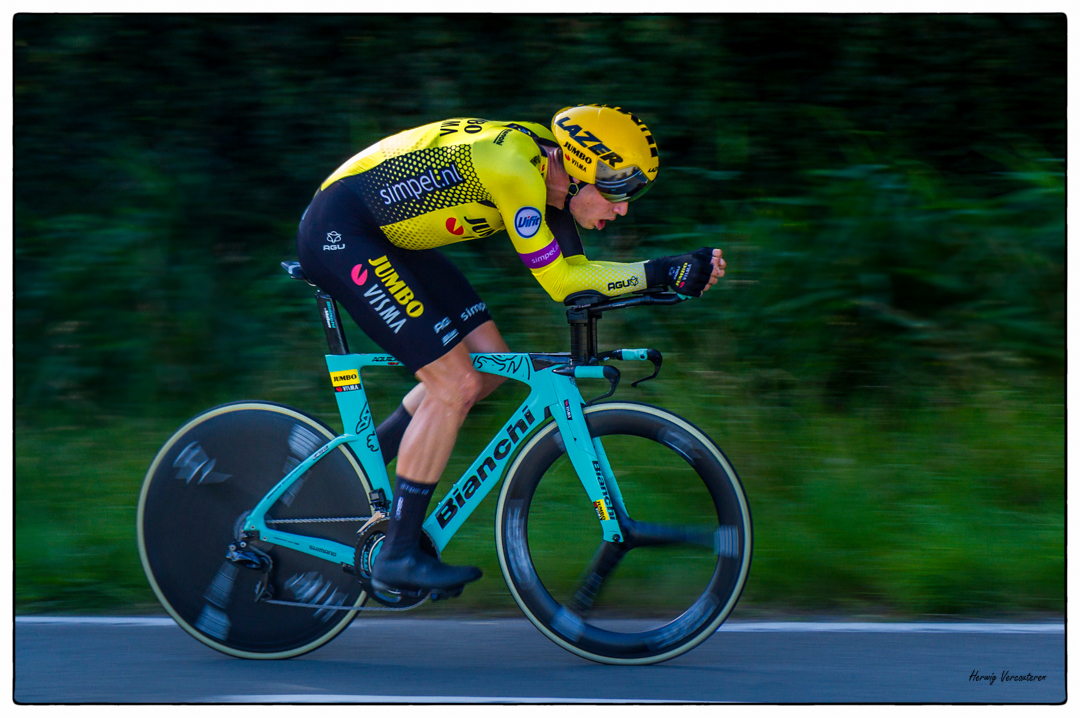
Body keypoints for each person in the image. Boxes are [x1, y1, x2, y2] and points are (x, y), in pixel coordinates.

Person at [296, 104, 724, 595]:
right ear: (581, 170)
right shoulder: (516, 171)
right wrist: (658, 270)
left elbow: (582, 280)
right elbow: (562, 282)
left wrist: (670, 280)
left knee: (488, 369)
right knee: (453, 384)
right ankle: (397, 553)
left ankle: (349, 474)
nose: (623, 208)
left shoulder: (549, 169)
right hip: (342, 231)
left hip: (388, 237)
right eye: (617, 192)